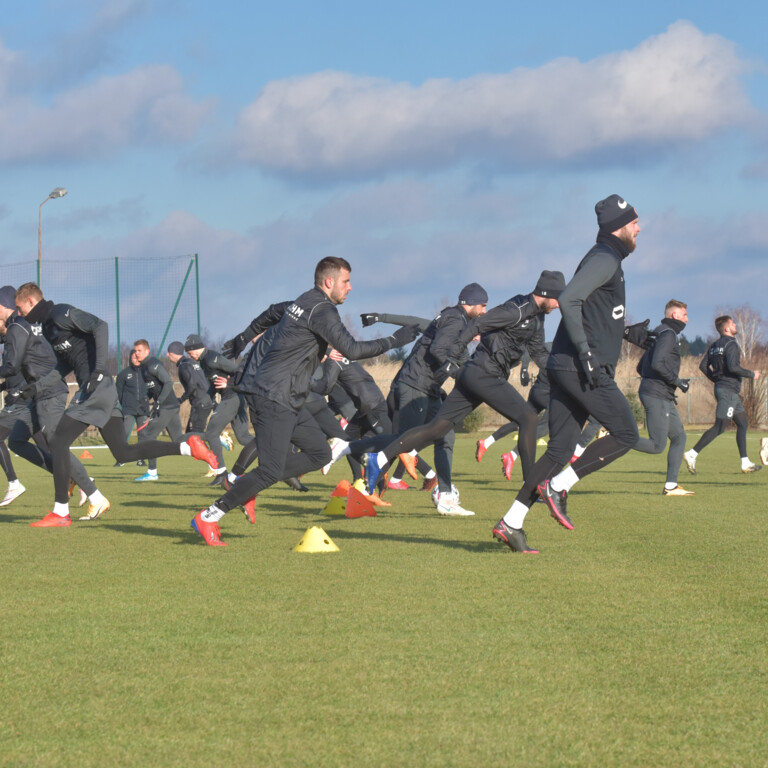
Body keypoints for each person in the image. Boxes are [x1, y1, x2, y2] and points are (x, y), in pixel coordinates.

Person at [191, 256, 419, 546]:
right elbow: (351, 348)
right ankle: (209, 516)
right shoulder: (322, 311)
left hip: (290, 397)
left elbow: (275, 311)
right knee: (271, 470)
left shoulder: (304, 302)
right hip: (274, 396)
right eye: (346, 282)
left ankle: (248, 489)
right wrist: (396, 340)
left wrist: (245, 336)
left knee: (319, 454)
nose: (350, 287)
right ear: (329, 282)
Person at [492, 194, 649, 553]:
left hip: (565, 366)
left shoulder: (607, 259)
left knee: (558, 449)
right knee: (626, 433)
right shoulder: (605, 257)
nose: (640, 228)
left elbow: (595, 312)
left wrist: (629, 331)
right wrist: (588, 355)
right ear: (619, 227)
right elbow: (569, 299)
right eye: (635, 222)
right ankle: (560, 486)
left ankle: (511, 522)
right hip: (580, 368)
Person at [361, 271, 564, 516]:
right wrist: (454, 351)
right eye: (558, 298)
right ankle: (530, 487)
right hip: (482, 374)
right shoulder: (517, 309)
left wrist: (564, 373)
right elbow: (478, 325)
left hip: (477, 376)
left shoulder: (538, 319)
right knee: (529, 418)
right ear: (546, 294)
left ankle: (379, 459)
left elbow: (540, 354)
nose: (559, 304)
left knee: (436, 430)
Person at [14, 282, 218, 527]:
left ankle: (61, 512)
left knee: (57, 441)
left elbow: (100, 326)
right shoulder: (48, 328)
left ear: (31, 302)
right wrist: (35, 387)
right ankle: (188, 448)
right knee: (122, 452)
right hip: (102, 392)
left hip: (97, 389)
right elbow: (64, 366)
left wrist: (99, 370)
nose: (18, 313)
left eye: (19, 308)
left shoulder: (61, 313)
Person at [0, 286, 107, 516]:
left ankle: (94, 495)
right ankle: (67, 476)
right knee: (17, 439)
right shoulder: (22, 326)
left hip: (49, 394)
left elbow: (12, 365)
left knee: (57, 445)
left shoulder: (19, 326)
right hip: (36, 394)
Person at [684, 315, 763, 474]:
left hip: (727, 390)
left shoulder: (714, 346)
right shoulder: (731, 344)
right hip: (728, 391)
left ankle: (745, 462)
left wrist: (717, 379)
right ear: (727, 328)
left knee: (742, 424)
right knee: (720, 427)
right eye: (733, 323)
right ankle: (692, 454)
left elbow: (703, 366)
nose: (735, 325)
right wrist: (751, 374)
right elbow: (733, 367)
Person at [633, 300, 694, 495]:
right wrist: (677, 381)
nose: (687, 319)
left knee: (679, 437)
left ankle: (671, 486)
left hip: (661, 394)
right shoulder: (668, 334)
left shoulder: (660, 332)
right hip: (656, 395)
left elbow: (640, 367)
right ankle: (617, 437)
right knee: (656, 445)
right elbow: (658, 364)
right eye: (684, 315)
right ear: (675, 315)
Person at [184, 334, 251, 486]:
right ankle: (276, 455)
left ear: (195, 349)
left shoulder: (212, 358)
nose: (188, 355)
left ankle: (221, 474)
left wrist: (229, 383)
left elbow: (239, 370)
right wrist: (204, 401)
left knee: (211, 434)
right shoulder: (203, 362)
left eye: (189, 352)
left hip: (233, 398)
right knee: (243, 437)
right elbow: (214, 386)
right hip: (235, 399)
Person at [133, 339, 183, 482]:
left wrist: (159, 402)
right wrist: (145, 399)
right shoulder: (143, 367)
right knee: (178, 440)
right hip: (170, 406)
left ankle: (152, 473)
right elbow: (153, 388)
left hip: (167, 406)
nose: (136, 354)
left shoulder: (153, 364)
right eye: (135, 351)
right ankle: (211, 438)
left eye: (139, 351)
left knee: (148, 436)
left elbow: (168, 383)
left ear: (147, 351)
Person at [166, 341, 213, 433]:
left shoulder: (183, 366)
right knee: (192, 435)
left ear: (174, 354)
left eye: (169, 353)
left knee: (193, 436)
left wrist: (180, 400)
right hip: (205, 402)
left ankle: (218, 439)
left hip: (200, 404)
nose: (167, 355)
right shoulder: (191, 362)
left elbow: (192, 386)